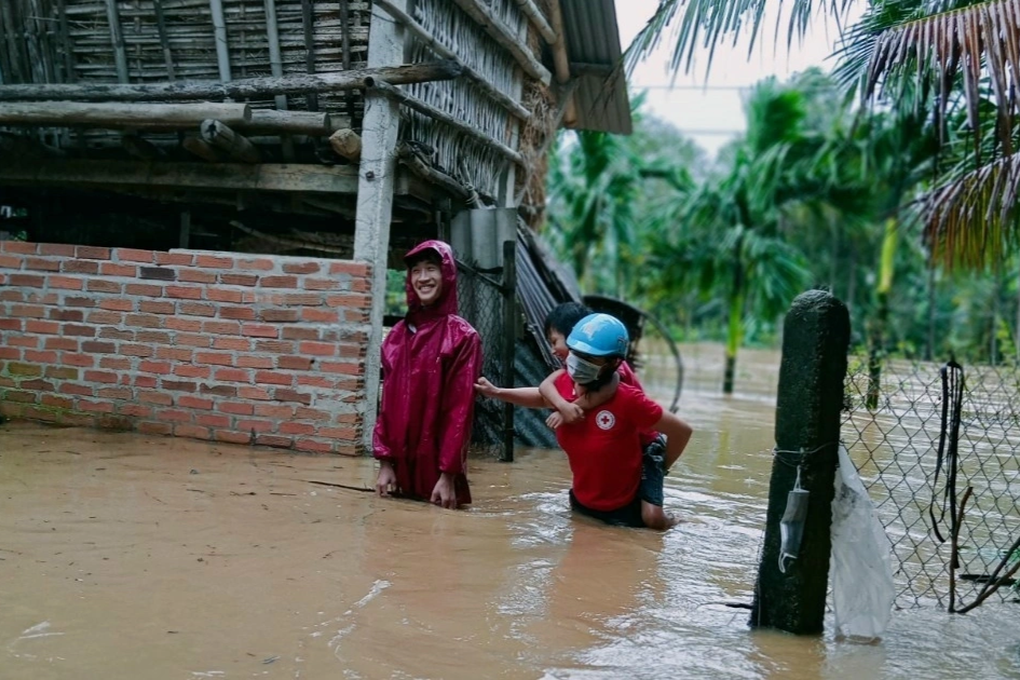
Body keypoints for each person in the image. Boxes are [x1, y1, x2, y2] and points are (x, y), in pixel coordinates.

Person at [480, 312, 692, 530]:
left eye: (590, 357)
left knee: (653, 520)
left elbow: (682, 431)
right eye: (576, 352)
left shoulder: (628, 399)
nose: (578, 361)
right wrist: (496, 392)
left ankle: (677, 522)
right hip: (584, 503)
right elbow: (540, 396)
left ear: (611, 363)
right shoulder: (563, 384)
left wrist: (661, 466)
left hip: (627, 507)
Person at [373, 240, 482, 509]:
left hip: (438, 474)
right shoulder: (396, 336)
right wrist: (384, 462)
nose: (423, 278)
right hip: (397, 472)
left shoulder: (462, 337)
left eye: (431, 268)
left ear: (446, 274)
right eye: (416, 271)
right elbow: (386, 404)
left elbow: (460, 411)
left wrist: (448, 474)